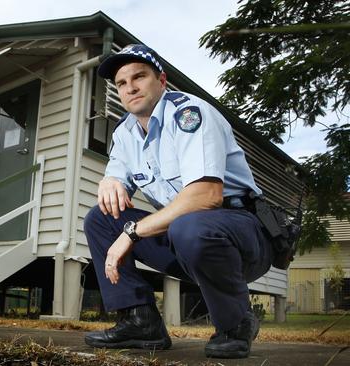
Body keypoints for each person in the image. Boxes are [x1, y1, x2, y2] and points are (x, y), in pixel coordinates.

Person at [83, 44, 273, 359]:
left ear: (161, 80)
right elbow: (116, 176)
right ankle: (139, 321)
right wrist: (110, 180)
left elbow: (206, 196)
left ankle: (235, 324)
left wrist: (131, 233)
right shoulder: (125, 133)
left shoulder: (188, 114)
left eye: (139, 77)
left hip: (242, 236)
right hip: (185, 238)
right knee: (100, 218)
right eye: (121, 83)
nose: (130, 88)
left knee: (190, 224)